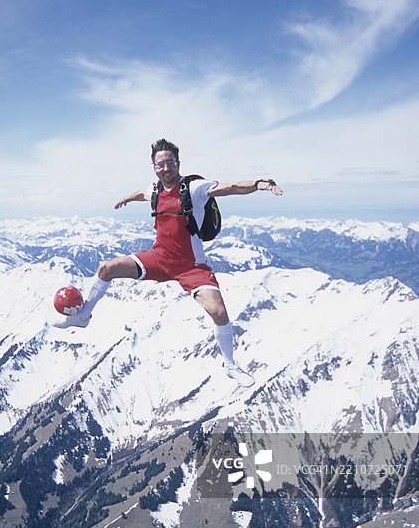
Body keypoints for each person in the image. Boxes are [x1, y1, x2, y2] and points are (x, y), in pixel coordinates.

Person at [55, 139, 283, 386]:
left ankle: (230, 364)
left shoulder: (193, 188)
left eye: (170, 163)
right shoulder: (154, 189)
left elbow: (232, 187)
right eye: (160, 164)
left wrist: (261, 184)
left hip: (191, 266)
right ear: (154, 166)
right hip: (159, 258)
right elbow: (142, 194)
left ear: (178, 164)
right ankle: (84, 315)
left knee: (218, 311)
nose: (166, 168)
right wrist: (126, 199)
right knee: (105, 269)